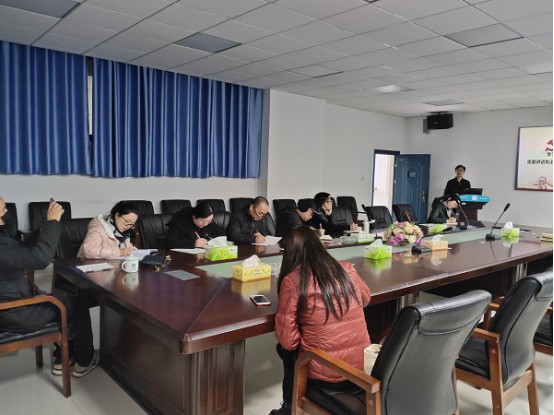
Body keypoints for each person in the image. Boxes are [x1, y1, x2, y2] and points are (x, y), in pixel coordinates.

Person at [271, 227, 371, 415]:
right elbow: (365, 299)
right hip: (360, 369)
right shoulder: (347, 268)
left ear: (290, 252)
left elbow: (288, 341)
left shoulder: (293, 280)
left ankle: (288, 407)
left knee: (286, 351)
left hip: (326, 374)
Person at [0, 198, 98, 377]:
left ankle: (63, 357)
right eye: (1, 211)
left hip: (16, 304)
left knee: (61, 299)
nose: (5, 214)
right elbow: (40, 259)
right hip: (16, 313)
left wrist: (46, 224)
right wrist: (52, 222)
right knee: (77, 304)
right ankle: (84, 360)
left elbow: (23, 249)